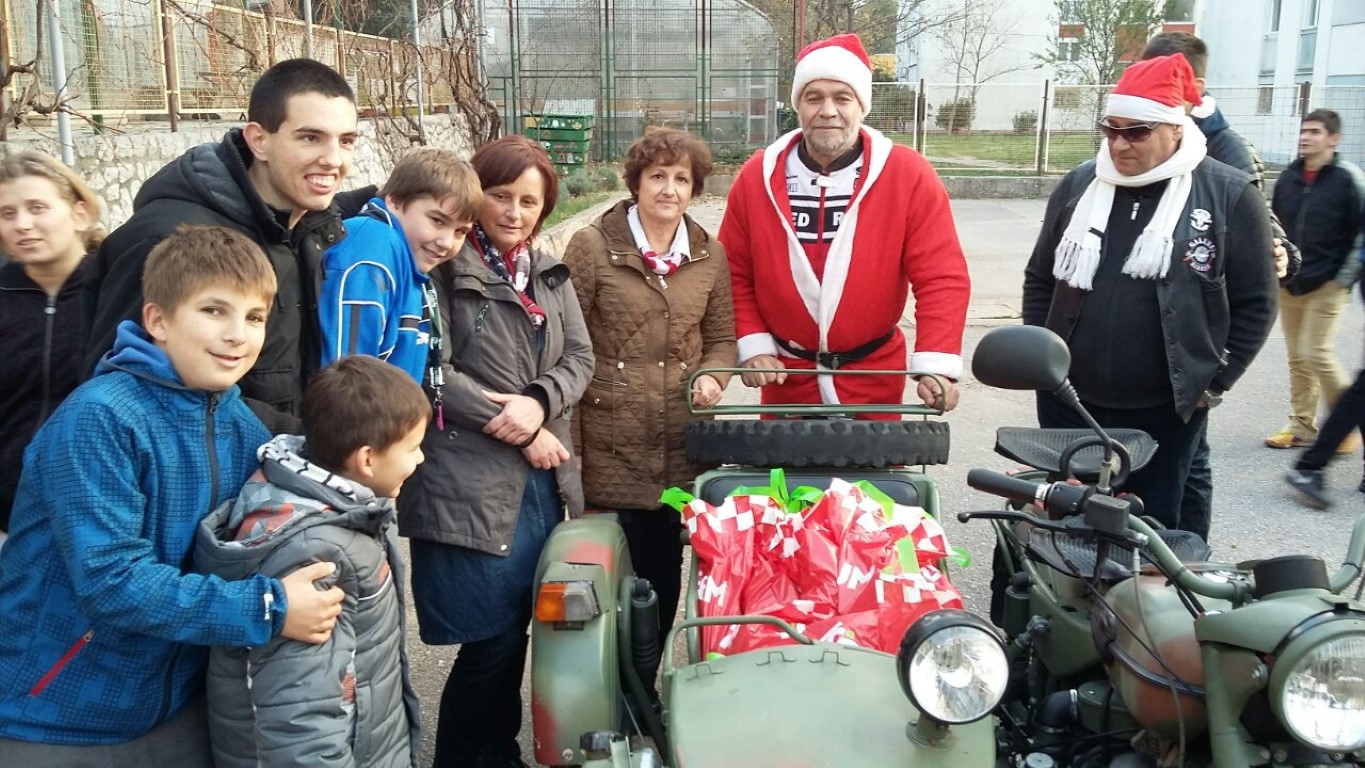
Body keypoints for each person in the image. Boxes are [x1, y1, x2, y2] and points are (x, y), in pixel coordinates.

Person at [0, 226, 345, 765]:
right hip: (55, 714)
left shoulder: (240, 424)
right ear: (157, 320)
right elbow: (112, 580)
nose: (237, 335)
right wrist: (270, 607)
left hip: (176, 706)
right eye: (214, 311)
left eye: (254, 317)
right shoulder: (100, 419)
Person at [397, 135, 593, 768]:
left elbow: (580, 356)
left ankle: (497, 750)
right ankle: (462, 756)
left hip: (539, 486)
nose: (514, 212)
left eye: (529, 202)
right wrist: (522, 428)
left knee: (516, 630)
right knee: (490, 639)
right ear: (476, 195)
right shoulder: (443, 267)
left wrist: (539, 399)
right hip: (467, 479)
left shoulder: (547, 271)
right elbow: (431, 369)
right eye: (501, 196)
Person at [1021, 53, 1277, 535]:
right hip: (1070, 400)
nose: (1119, 144)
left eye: (1136, 132)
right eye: (1110, 130)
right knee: (1070, 524)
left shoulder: (1229, 193)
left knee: (1153, 532)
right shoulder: (1080, 185)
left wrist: (1214, 382)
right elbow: (1041, 278)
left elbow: (1257, 303)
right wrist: (1040, 356)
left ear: (1175, 129)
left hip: (1168, 407)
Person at [84, 58, 372, 433]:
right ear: (259, 141)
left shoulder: (307, 229)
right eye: (310, 138)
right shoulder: (169, 237)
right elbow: (116, 395)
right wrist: (299, 438)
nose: (333, 159)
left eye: (346, 141)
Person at [717, 33, 970, 413]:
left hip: (874, 377)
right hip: (787, 379)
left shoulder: (907, 175)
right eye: (813, 97)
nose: (828, 111)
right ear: (798, 106)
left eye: (842, 98)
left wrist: (936, 365)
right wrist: (753, 343)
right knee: (781, 457)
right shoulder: (757, 178)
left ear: (862, 105)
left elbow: (941, 276)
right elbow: (733, 272)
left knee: (877, 458)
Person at [195, 355, 424, 767]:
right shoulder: (318, 555)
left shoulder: (349, 512)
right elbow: (298, 720)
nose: (421, 458)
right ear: (367, 460)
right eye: (413, 448)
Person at [562, 127, 736, 645]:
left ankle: (649, 677)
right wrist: (572, 447)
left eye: (682, 179)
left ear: (694, 189)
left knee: (662, 578)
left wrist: (713, 375)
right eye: (657, 176)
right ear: (635, 182)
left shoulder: (709, 255)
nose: (669, 189)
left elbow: (721, 339)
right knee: (603, 579)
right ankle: (607, 684)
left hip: (679, 448)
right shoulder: (591, 246)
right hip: (609, 445)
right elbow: (566, 348)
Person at [1138, 31, 1302, 542]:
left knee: (1187, 463)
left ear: (1196, 84)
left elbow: (1265, 231)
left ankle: (1189, 555)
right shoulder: (1145, 133)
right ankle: (1188, 552)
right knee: (1190, 459)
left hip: (1198, 333)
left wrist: (1283, 253)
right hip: (1162, 327)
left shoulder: (1227, 149)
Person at [0, 152, 103, 542]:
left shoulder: (116, 292)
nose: (22, 224)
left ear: (80, 213)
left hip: (94, 517)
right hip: (7, 522)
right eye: (7, 213)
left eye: (37, 208)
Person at [320, 147, 482, 383]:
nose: (447, 243)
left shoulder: (405, 256)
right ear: (395, 201)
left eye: (460, 231)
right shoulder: (371, 252)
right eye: (437, 221)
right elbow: (345, 384)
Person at [1264, 110, 1365, 451]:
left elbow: (1361, 233)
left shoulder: (1348, 178)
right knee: (1297, 357)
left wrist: (1343, 279)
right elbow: (1275, 225)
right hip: (1292, 282)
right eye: (1304, 131)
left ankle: (1345, 427)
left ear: (1334, 138)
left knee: (1315, 351)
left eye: (1315, 132)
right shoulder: (1289, 177)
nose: (1306, 137)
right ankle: (1302, 425)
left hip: (1329, 283)